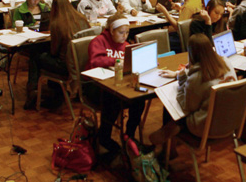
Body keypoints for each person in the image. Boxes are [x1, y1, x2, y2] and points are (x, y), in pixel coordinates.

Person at [148, 33, 238, 154]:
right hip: (230, 121)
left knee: (171, 107)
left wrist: (181, 79)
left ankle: (168, 150)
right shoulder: (226, 62)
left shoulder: (197, 77)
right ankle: (167, 137)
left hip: (206, 126)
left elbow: (186, 106)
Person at [86, 12, 144, 153]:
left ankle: (128, 135)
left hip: (117, 83)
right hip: (94, 85)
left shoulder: (125, 45)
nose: (124, 36)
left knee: (138, 99)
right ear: (111, 30)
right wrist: (117, 61)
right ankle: (104, 136)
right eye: (121, 32)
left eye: (127, 32)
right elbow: (95, 61)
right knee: (112, 99)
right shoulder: (98, 41)